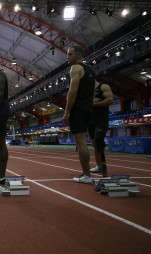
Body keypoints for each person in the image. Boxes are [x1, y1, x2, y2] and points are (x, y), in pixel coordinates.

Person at [63, 46, 95, 184]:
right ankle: (86, 173)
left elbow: (72, 91)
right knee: (83, 141)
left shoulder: (75, 68)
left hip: (78, 109)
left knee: (81, 142)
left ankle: (87, 175)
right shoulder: (90, 70)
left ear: (78, 55)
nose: (67, 57)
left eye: (70, 54)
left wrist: (67, 111)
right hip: (88, 108)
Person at [89, 79, 113, 177]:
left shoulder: (103, 86)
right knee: (95, 143)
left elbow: (110, 100)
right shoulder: (87, 90)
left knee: (98, 140)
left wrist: (94, 104)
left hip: (101, 119)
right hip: (90, 121)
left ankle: (103, 166)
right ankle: (99, 166)